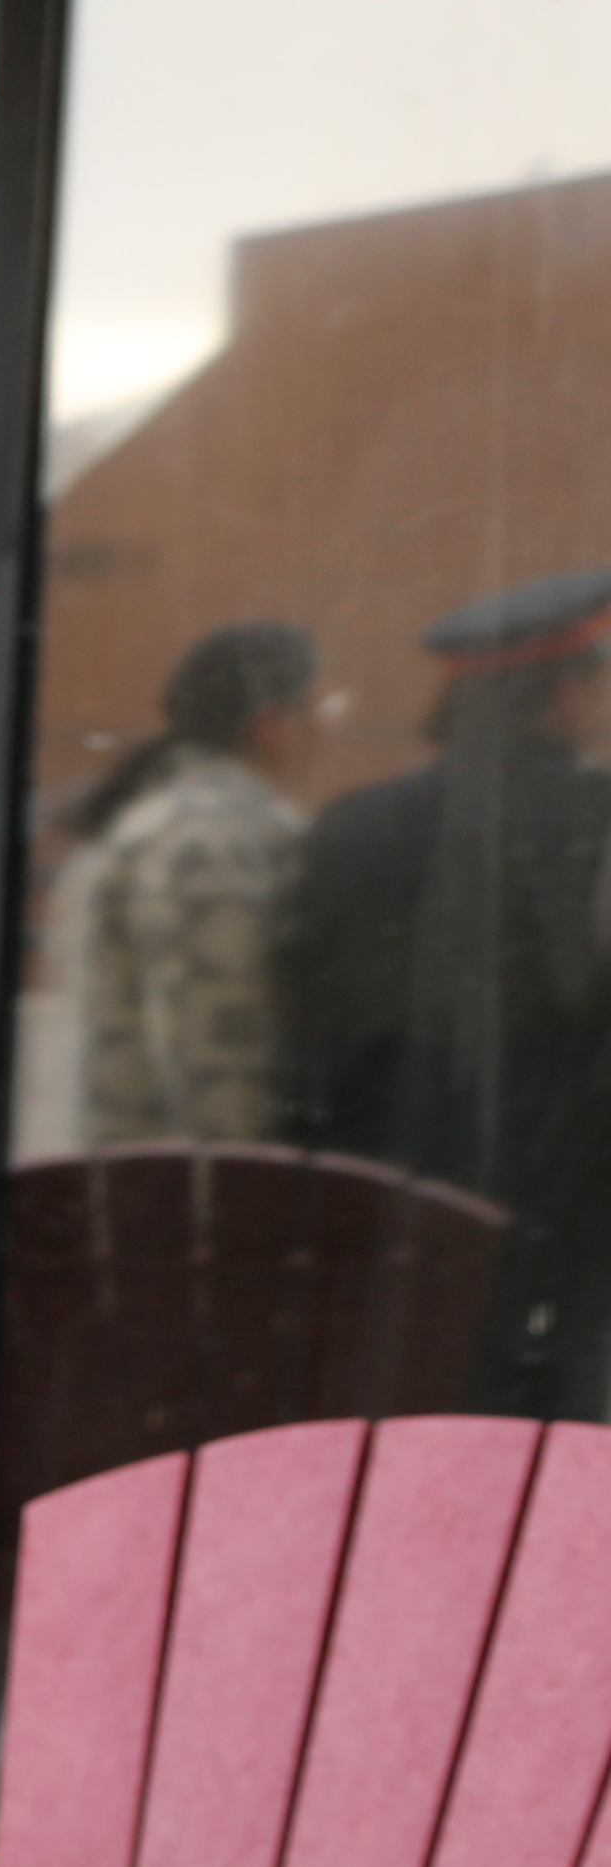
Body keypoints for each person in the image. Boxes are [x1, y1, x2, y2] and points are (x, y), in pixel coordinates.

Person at [278, 561, 611, 1405]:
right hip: (565, 1223)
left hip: (383, 1209)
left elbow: (308, 1029)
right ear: (562, 693)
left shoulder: (349, 824)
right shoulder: (593, 816)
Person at [53, 617, 319, 1146]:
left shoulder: (155, 822)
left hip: (135, 1180)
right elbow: (223, 1062)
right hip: (195, 1196)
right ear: (270, 726)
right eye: (319, 708)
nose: (328, 728)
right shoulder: (213, 839)